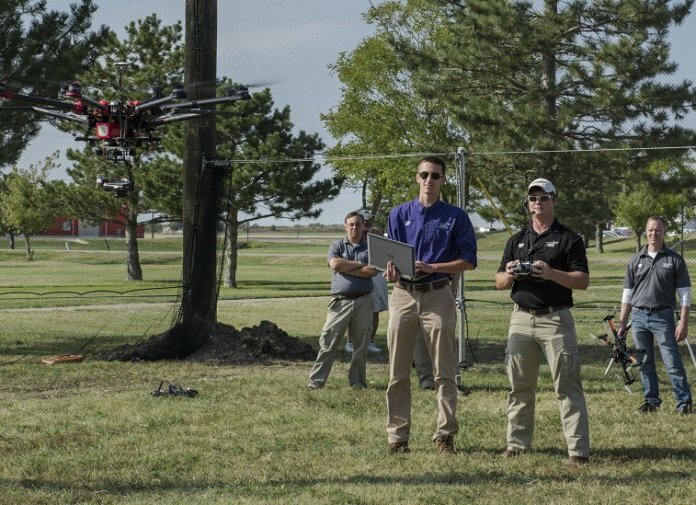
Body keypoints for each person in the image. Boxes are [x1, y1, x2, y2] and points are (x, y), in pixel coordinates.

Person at [384, 156, 477, 455]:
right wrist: (390, 269)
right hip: (403, 294)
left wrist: (434, 267)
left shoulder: (456, 217)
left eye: (435, 176)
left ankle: (444, 434)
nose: (429, 180)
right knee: (398, 371)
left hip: (438, 295)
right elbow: (389, 255)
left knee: (444, 370)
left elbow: (468, 261)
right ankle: (397, 437)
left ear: (443, 180)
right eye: (424, 174)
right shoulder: (398, 214)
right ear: (416, 178)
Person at [495, 177, 590, 466]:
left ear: (554, 200)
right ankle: (516, 444)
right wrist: (512, 272)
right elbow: (499, 281)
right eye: (533, 198)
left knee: (567, 386)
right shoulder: (517, 239)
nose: (537, 202)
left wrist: (550, 273)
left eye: (543, 197)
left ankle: (577, 452)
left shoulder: (568, 238)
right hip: (521, 319)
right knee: (520, 386)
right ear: (528, 203)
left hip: (555, 318)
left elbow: (582, 281)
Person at [617, 216, 692, 415]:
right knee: (643, 362)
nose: (653, 233)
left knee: (672, 362)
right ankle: (651, 401)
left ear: (664, 232)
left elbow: (684, 294)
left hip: (664, 317)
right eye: (650, 230)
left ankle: (684, 403)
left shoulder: (675, 259)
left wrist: (683, 322)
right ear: (645, 232)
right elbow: (627, 294)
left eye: (657, 230)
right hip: (639, 317)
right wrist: (622, 323)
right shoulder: (635, 260)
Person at [307, 211, 377, 390]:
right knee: (328, 343)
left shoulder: (370, 248)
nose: (355, 227)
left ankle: (358, 383)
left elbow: (371, 271)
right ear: (345, 226)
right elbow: (335, 264)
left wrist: (346, 267)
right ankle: (316, 382)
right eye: (351, 224)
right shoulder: (336, 245)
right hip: (340, 303)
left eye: (358, 224)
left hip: (364, 302)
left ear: (364, 227)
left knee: (361, 347)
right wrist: (359, 265)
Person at [345, 208, 386, 354]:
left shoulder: (376, 233)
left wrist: (378, 237)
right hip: (360, 274)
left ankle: (370, 341)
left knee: (375, 310)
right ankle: (351, 342)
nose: (368, 223)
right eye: (365, 220)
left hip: (377, 275)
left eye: (370, 220)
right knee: (354, 310)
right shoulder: (354, 234)